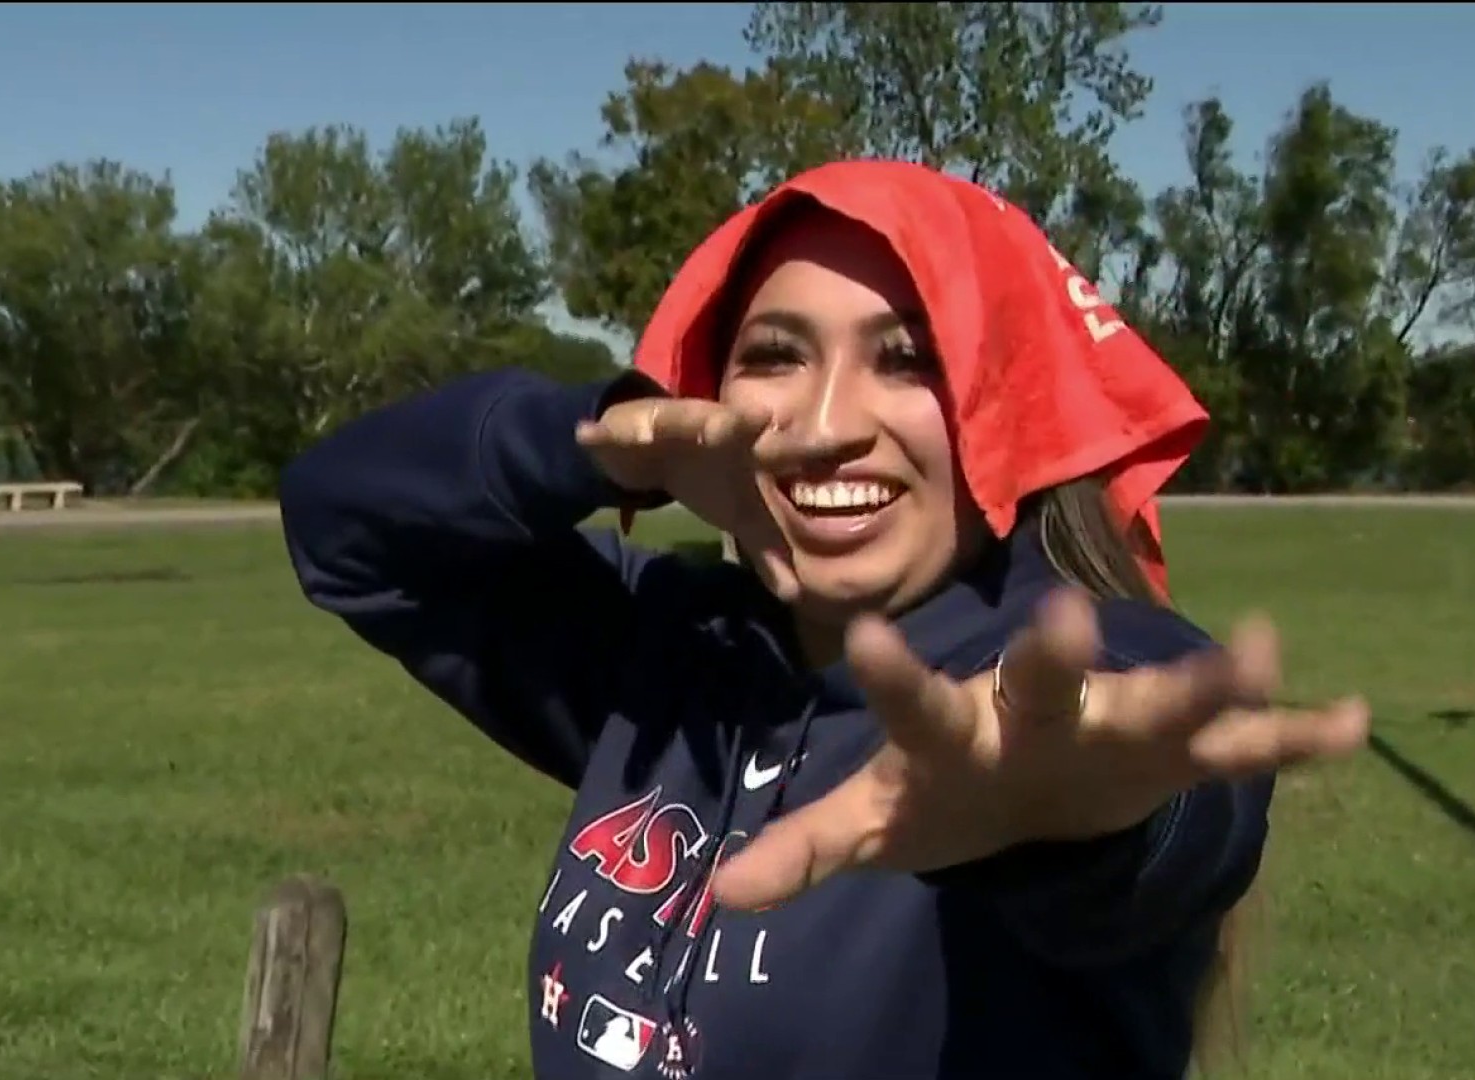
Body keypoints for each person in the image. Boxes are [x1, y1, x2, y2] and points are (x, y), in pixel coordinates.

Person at [278, 159, 1369, 1080]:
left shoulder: (1055, 665)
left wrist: (1061, 815)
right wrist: (600, 434)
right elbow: (346, 524)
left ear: (1004, 406)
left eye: (909, 361)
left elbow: (1145, 748)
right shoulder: (671, 660)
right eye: (774, 356)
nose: (828, 423)